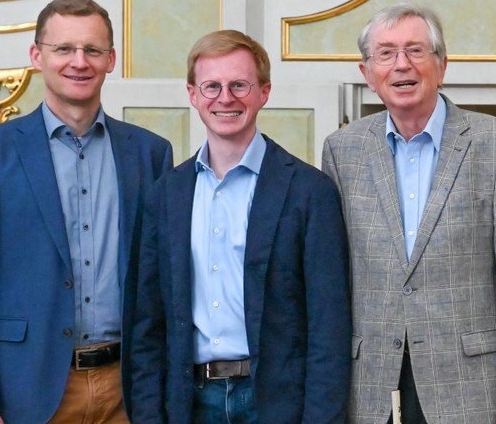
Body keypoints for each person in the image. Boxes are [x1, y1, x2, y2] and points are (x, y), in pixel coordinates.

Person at [0, 0, 173, 424]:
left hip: (128, 394)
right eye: (64, 49)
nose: (79, 62)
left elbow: (161, 285)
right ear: (37, 56)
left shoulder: (150, 154)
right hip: (28, 392)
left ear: (111, 60)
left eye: (92, 50)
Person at [322, 3, 496, 423]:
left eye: (415, 50)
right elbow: (332, 284)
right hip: (369, 391)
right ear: (367, 74)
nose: (401, 65)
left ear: (442, 65)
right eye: (386, 53)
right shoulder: (342, 151)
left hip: (469, 392)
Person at [128, 29, 352, 423]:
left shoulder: (309, 192)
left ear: (264, 91)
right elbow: (147, 324)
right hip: (189, 403)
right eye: (211, 86)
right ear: (193, 94)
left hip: (276, 403)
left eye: (239, 85)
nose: (225, 98)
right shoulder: (165, 196)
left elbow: (328, 328)